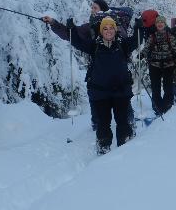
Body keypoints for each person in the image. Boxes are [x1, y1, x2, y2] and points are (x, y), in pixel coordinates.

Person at [42, 16, 142, 155]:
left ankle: (124, 152)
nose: (108, 31)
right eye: (105, 28)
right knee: (103, 125)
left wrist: (139, 27)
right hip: (100, 93)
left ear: (115, 29)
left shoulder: (123, 44)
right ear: (101, 31)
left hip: (121, 91)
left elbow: (138, 39)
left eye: (111, 28)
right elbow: (76, 41)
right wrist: (70, 28)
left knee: (123, 123)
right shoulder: (94, 45)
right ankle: (103, 152)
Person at [143, 16, 176, 115]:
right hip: (155, 65)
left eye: (162, 22)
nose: (160, 24)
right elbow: (146, 48)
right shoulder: (152, 36)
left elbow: (175, 48)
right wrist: (142, 54)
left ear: (165, 24)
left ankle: (167, 105)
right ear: (155, 24)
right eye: (158, 22)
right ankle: (157, 107)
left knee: (168, 87)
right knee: (155, 87)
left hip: (168, 65)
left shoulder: (169, 35)